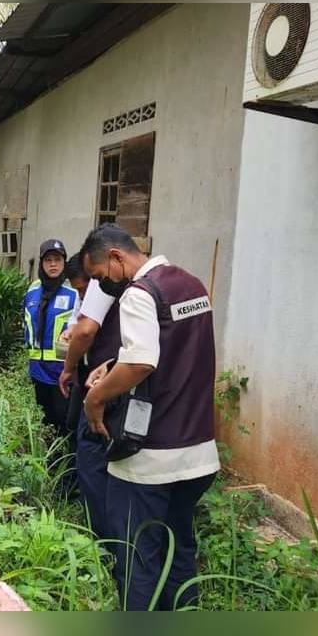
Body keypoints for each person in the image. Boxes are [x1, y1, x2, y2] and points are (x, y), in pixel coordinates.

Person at [80, 223, 219, 611]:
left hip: (151, 460)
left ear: (116, 257)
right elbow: (174, 353)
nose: (102, 284)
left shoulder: (140, 294)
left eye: (99, 276)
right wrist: (112, 365)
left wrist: (95, 400)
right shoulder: (192, 286)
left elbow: (142, 362)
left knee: (138, 558)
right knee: (179, 551)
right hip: (198, 454)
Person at [57, 270, 121, 541]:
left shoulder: (102, 281)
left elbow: (85, 331)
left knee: (93, 459)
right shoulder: (143, 287)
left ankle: (103, 541)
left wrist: (69, 367)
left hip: (104, 387)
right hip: (118, 379)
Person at [22, 239, 78, 441]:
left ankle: (67, 469)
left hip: (64, 373)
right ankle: (50, 466)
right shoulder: (31, 293)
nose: (53, 264)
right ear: (41, 264)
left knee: (66, 423)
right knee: (46, 423)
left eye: (57, 260)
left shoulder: (74, 294)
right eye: (48, 260)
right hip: (37, 371)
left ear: (64, 263)